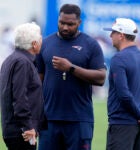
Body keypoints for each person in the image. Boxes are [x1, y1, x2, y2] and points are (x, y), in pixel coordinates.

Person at [36, 3, 106, 150]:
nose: (65, 27)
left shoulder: (90, 44)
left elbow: (100, 78)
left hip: (79, 119)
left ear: (79, 23)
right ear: (58, 20)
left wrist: (71, 68)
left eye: (70, 24)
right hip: (49, 119)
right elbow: (38, 80)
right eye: (62, 23)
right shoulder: (46, 43)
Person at [104, 18, 140, 150]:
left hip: (122, 124)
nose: (110, 35)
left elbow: (124, 95)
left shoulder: (118, 58)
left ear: (121, 35)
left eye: (113, 32)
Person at [0, 22, 47, 150]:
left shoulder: (11, 59)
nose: (42, 40)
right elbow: (19, 97)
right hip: (22, 132)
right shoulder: (23, 62)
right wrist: (28, 126)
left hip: (13, 129)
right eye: (40, 37)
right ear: (34, 43)